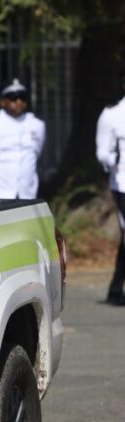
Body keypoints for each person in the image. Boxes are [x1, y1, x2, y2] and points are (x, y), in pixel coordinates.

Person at [0, 78, 46, 199]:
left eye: (22, 97)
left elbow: (36, 153)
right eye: (13, 97)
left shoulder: (37, 125)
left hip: (27, 193)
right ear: (2, 101)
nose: (18, 101)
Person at [96, 72, 125, 305]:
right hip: (123, 184)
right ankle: (116, 290)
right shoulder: (112, 115)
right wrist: (112, 161)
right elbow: (102, 151)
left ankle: (115, 289)